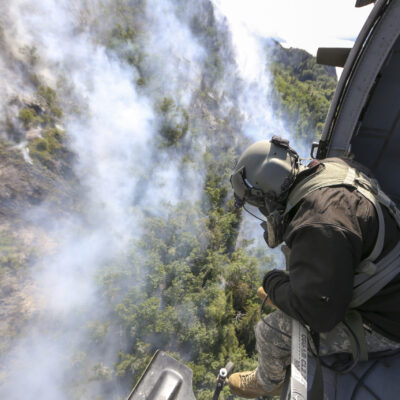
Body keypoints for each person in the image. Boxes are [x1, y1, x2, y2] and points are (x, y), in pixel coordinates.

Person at [228, 136, 400, 399]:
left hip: (389, 322)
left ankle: (268, 381)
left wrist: (273, 283)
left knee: (269, 332)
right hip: (387, 279)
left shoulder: (317, 224)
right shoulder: (333, 167)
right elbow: (330, 256)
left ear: (267, 197)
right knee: (296, 280)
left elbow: (320, 315)